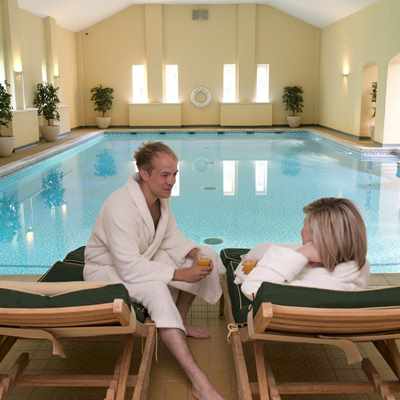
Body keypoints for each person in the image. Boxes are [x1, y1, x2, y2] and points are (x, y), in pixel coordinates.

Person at [84, 141, 223, 400]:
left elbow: (170, 236)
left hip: (141, 258)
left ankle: (179, 319)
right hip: (108, 270)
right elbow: (127, 267)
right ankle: (198, 380)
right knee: (158, 290)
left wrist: (194, 254)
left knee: (206, 256)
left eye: (175, 174)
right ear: (145, 174)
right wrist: (179, 274)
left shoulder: (159, 198)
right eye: (165, 175)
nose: (171, 181)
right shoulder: (120, 206)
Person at [235, 197, 369, 300]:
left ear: (317, 239)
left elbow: (251, 288)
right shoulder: (359, 268)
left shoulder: (306, 290)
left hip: (288, 332)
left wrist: (300, 253)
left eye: (305, 226)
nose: (301, 231)